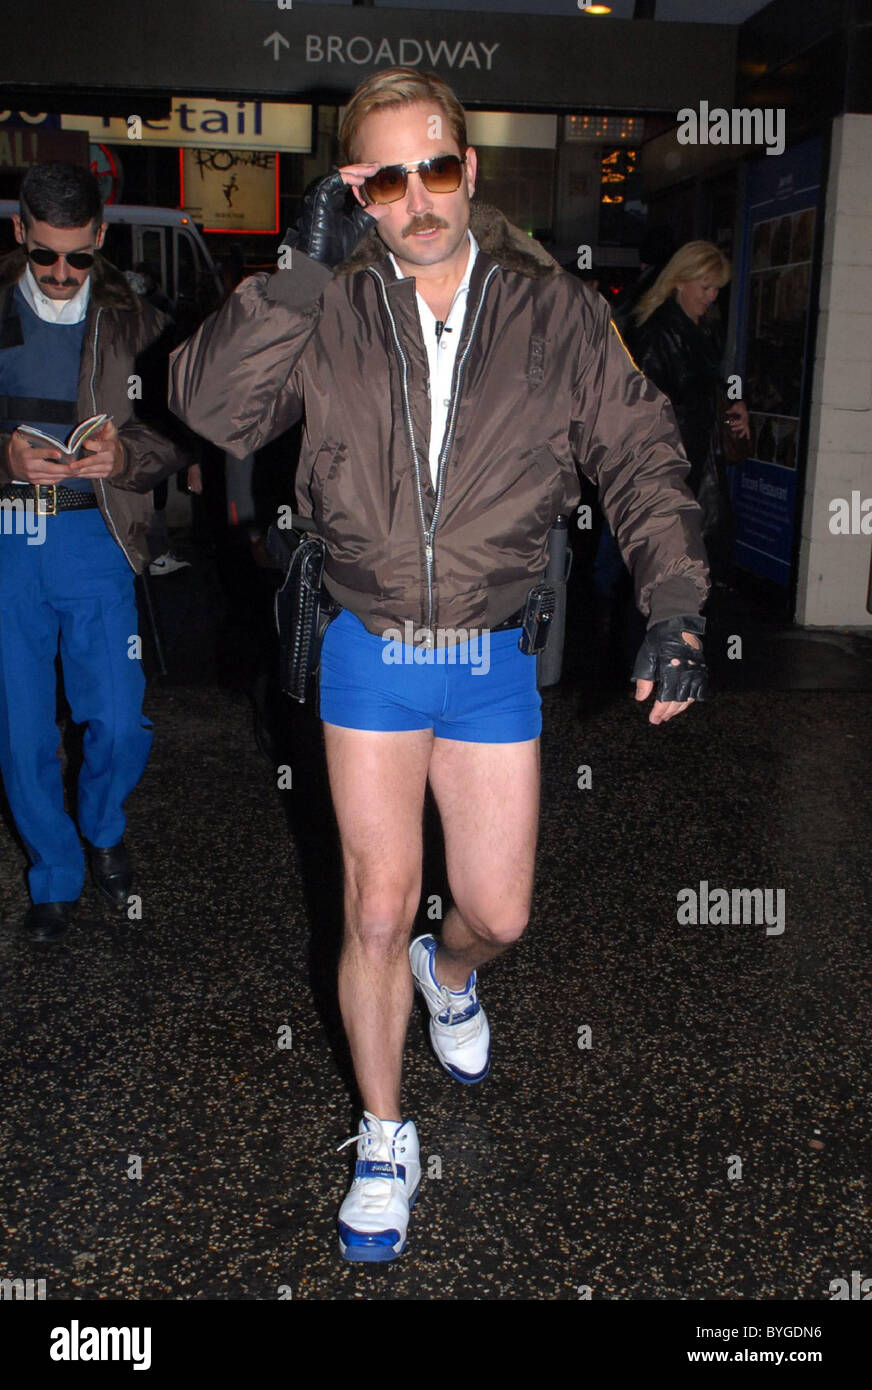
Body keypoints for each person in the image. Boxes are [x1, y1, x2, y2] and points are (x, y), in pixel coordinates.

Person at [169, 67, 710, 1263]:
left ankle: (447, 973)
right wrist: (292, 277)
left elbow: (637, 452)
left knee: (498, 913)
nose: (420, 198)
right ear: (356, 189)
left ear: (469, 167)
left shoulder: (550, 307)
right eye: (388, 177)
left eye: (439, 167)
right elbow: (211, 411)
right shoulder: (328, 301)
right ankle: (380, 1132)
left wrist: (673, 603)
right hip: (366, 642)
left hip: (487, 649)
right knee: (369, 901)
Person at [0, 162, 189, 943]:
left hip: (97, 534)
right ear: (21, 233)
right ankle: (54, 871)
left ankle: (102, 826)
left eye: (78, 256)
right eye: (45, 255)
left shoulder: (137, 320)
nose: (60, 273)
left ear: (100, 239)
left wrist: (128, 456)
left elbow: (180, 431)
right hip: (11, 535)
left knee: (115, 717)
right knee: (21, 729)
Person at [630, 240, 750, 582]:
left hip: (695, 461)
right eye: (706, 286)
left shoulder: (699, 327)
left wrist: (735, 399)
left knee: (689, 564)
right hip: (672, 467)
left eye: (717, 289)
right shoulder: (658, 332)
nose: (712, 296)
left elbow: (714, 378)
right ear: (680, 280)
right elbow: (643, 409)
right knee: (667, 567)